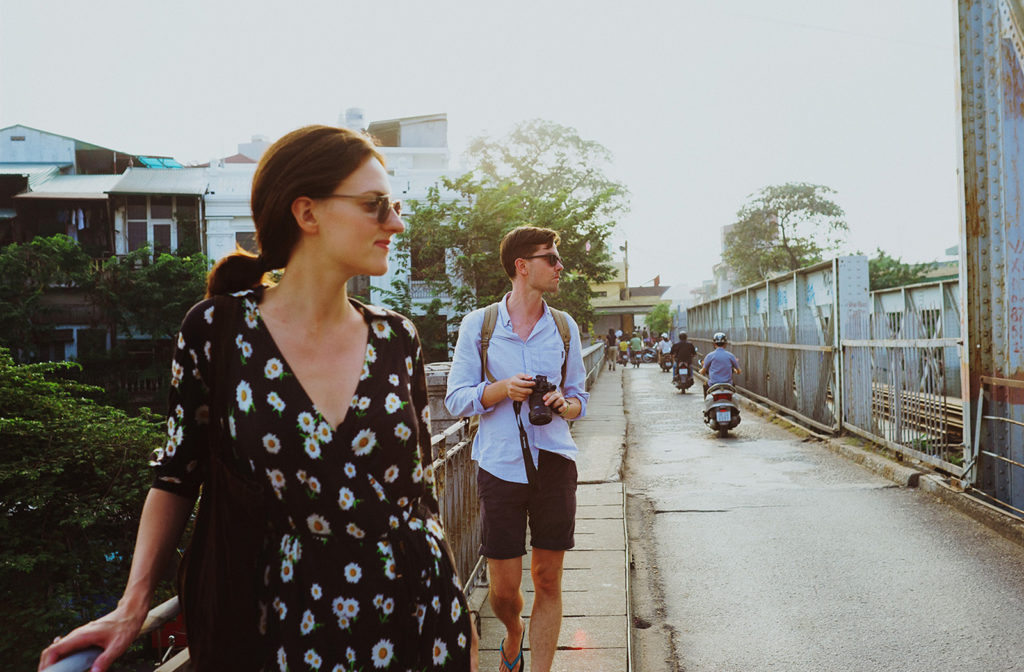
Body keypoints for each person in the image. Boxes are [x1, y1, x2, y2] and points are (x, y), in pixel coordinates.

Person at [40, 125, 477, 672]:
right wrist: (133, 605)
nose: (396, 222)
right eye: (375, 205)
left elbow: (422, 497)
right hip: (288, 622)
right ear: (307, 213)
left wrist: (458, 614)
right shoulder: (219, 331)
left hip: (418, 615)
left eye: (392, 204)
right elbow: (177, 475)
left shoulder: (397, 338)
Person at [445, 226, 589, 672]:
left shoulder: (564, 327)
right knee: (504, 591)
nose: (560, 266)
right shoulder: (480, 325)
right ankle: (513, 632)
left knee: (548, 578)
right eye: (552, 258)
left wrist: (565, 405)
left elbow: (580, 398)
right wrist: (502, 389)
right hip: (500, 464)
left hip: (554, 462)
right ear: (522, 267)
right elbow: (455, 399)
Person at [700, 331, 741, 396]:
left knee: (705, 385)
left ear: (714, 344)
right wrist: (736, 371)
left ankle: (707, 404)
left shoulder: (710, 356)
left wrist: (701, 371)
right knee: (733, 387)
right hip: (728, 385)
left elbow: (703, 371)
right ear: (725, 344)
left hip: (713, 385)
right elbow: (739, 371)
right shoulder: (730, 356)